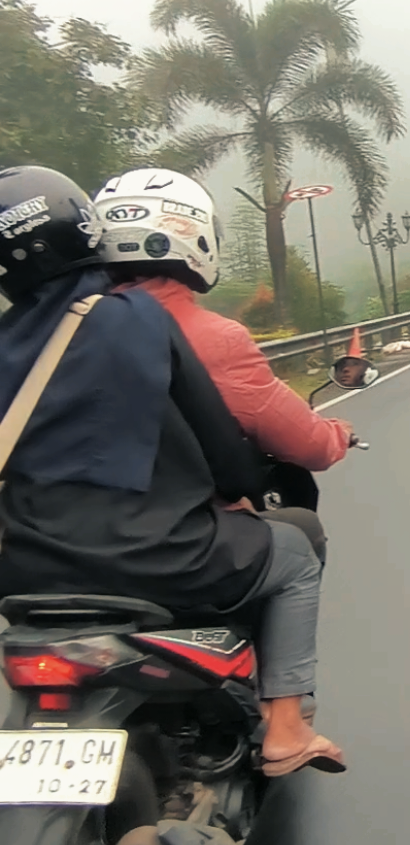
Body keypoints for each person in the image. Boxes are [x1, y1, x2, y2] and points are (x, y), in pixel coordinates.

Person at [0, 166, 342, 778]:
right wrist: (241, 491)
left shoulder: (9, 340)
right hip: (156, 554)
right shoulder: (137, 318)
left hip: (23, 562)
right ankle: (287, 727)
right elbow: (222, 448)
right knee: (293, 555)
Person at [93, 169, 354, 569]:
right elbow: (308, 445)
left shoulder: (62, 331)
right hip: (177, 541)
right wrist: (337, 434)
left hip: (64, 538)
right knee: (301, 544)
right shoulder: (217, 338)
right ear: (195, 236)